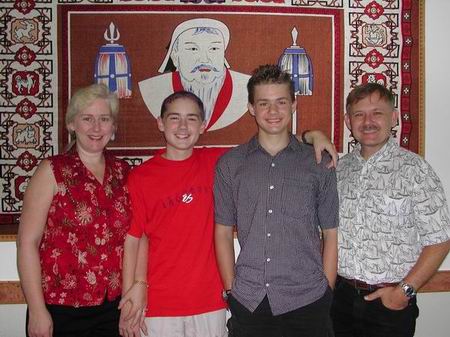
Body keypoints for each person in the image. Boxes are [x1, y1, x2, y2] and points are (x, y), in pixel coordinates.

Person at [119, 89, 338, 337]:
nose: (183, 126)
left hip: (210, 301)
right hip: (159, 301)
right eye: (174, 118)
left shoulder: (219, 161)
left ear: (203, 126)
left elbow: (272, 141)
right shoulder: (140, 176)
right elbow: (136, 237)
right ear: (160, 122)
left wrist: (312, 135)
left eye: (191, 118)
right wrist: (133, 291)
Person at [214, 64, 339, 337]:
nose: (273, 112)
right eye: (264, 103)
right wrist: (230, 289)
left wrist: (326, 290)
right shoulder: (230, 164)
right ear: (251, 108)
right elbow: (223, 232)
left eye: (281, 102)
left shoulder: (319, 163)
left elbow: (331, 233)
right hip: (249, 301)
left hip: (308, 300)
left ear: (294, 104)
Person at [330, 83, 450, 337]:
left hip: (389, 305)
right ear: (348, 121)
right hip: (339, 300)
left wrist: (404, 291)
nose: (368, 121)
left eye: (377, 113)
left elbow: (440, 241)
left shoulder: (415, 170)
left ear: (393, 117)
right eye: (359, 114)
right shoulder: (339, 170)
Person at [16, 84, 131, 337]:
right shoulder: (51, 170)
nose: (96, 127)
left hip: (113, 307)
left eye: (104, 119)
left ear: (113, 127)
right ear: (71, 124)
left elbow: (135, 239)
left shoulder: (124, 173)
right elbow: (27, 242)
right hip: (60, 308)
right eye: (87, 119)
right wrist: (37, 310)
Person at [139, 18, 250, 131]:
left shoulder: (246, 86)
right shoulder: (151, 88)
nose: (204, 59)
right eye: (193, 49)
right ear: (175, 56)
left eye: (214, 48)